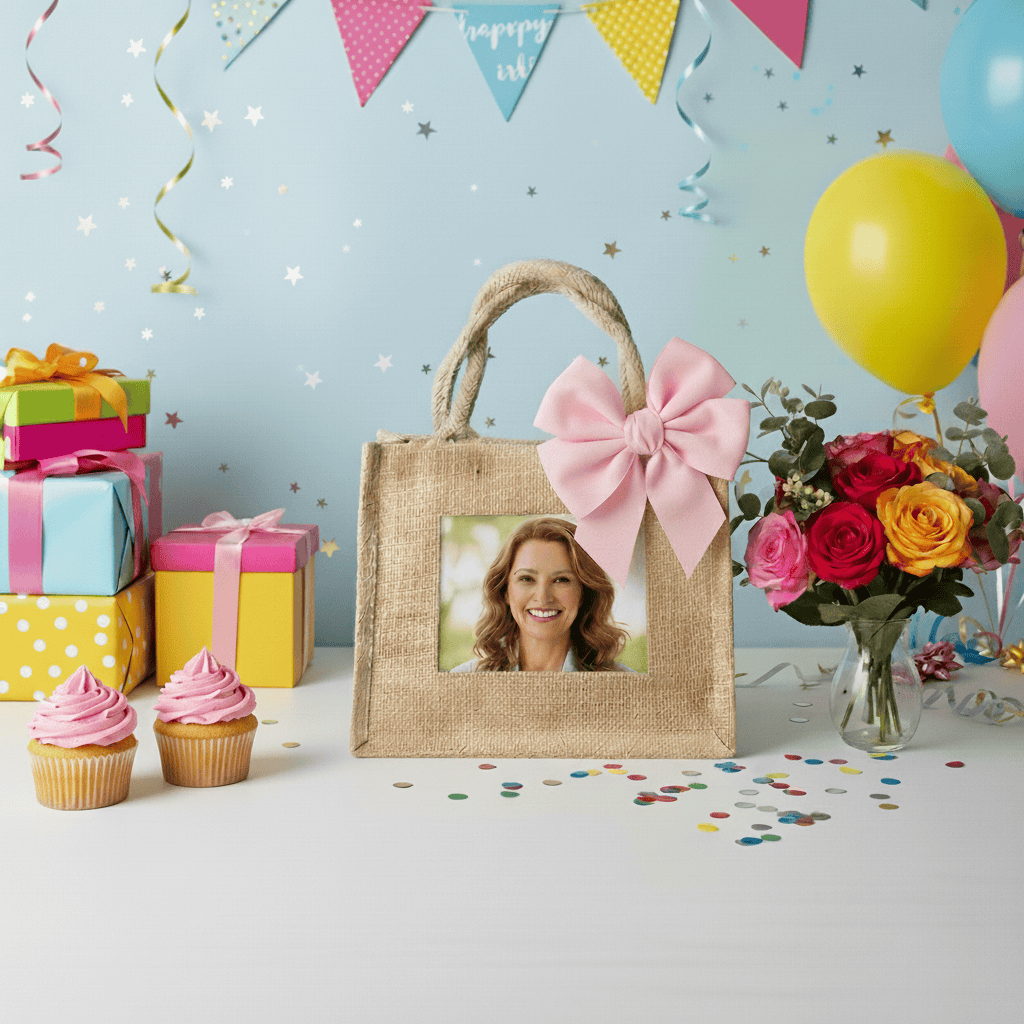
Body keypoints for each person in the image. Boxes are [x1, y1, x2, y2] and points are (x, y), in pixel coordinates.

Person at [449, 517, 636, 672]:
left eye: (561, 580)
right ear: (505, 591)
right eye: (527, 579)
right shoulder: (463, 679)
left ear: (584, 592)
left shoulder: (626, 683)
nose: (543, 597)